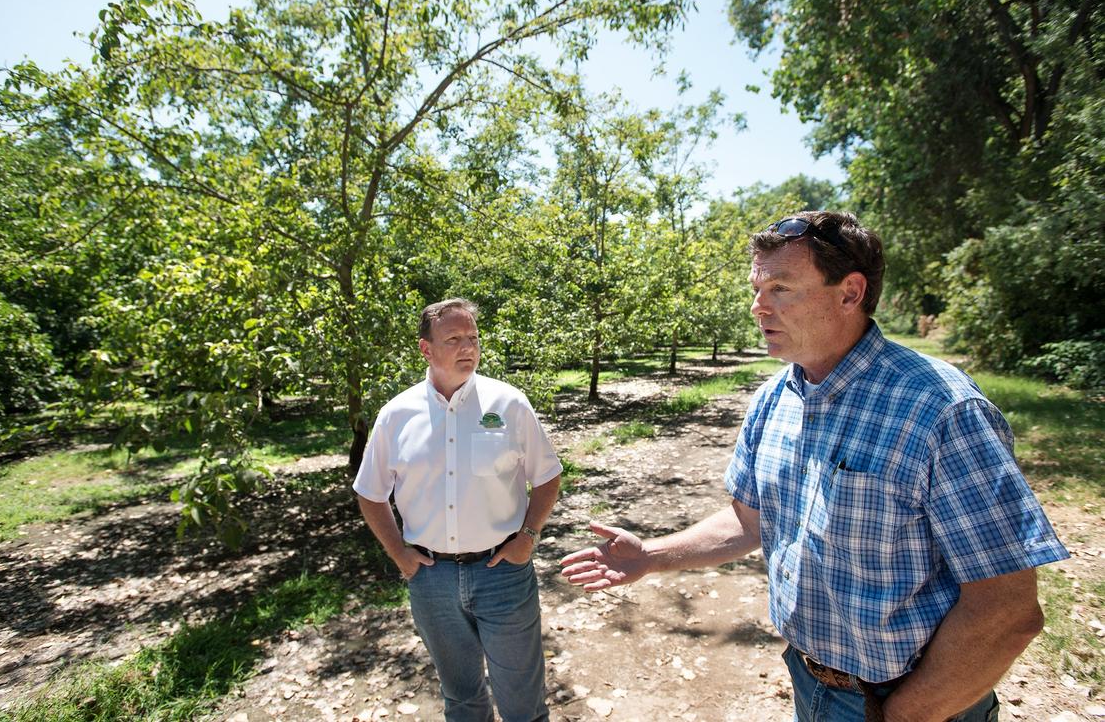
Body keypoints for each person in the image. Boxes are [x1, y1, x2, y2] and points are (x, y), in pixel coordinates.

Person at [561, 212, 1068, 722]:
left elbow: (1006, 610)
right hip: (811, 680)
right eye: (758, 288)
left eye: (781, 288)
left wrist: (905, 715)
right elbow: (750, 519)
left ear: (850, 293)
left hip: (917, 700)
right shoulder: (775, 397)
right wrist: (651, 554)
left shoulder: (940, 409)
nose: (758, 307)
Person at [353, 298, 562, 722]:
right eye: (453, 339)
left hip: (502, 572)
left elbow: (548, 476)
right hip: (432, 579)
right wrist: (399, 554)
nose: (468, 347)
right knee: (462, 698)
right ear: (426, 349)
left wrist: (528, 538)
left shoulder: (508, 403)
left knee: (523, 701)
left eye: (473, 338)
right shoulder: (397, 415)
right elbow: (370, 492)